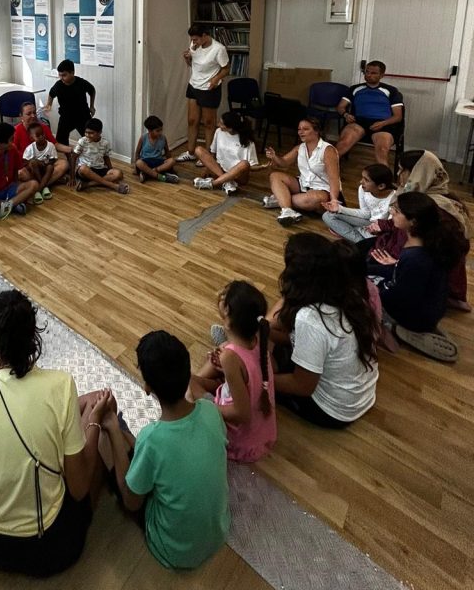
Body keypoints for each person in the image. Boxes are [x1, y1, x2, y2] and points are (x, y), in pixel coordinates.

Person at [0, 290, 108, 577]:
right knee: (93, 463)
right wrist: (94, 420)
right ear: (34, 336)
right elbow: (78, 488)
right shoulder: (61, 385)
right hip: (51, 548)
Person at [96, 330, 230, 570]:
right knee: (148, 455)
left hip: (173, 551)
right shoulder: (211, 410)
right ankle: (123, 432)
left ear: (147, 387)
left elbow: (132, 502)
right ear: (187, 374)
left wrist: (114, 428)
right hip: (219, 532)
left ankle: (117, 428)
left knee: (109, 446)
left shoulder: (151, 438)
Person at [268, 233, 379, 428]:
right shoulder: (348, 291)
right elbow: (303, 339)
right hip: (360, 395)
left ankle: (240, 350)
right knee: (269, 343)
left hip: (333, 410)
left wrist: (261, 380)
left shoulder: (310, 318)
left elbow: (302, 386)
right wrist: (264, 329)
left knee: (256, 367)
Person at [363, 149, 470, 311]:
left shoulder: (435, 209)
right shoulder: (426, 195)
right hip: (400, 253)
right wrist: (383, 225)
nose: (398, 174)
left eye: (402, 169)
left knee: (359, 270)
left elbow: (430, 253)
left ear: (418, 173)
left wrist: (397, 263)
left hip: (407, 262)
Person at [368, 192, 465, 361]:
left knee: (359, 293)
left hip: (416, 316)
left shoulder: (416, 258)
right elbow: (399, 272)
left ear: (413, 221)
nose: (392, 212)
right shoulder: (425, 243)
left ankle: (390, 328)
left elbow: (401, 295)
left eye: (397, 210)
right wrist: (368, 269)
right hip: (428, 305)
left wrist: (374, 292)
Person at [190, 282, 276, 463]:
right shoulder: (259, 337)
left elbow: (242, 414)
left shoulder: (230, 357)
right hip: (264, 433)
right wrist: (226, 370)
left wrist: (208, 407)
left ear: (228, 318)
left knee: (189, 388)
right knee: (194, 380)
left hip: (240, 444)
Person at [264, 117, 341, 226]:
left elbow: (334, 180)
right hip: (303, 185)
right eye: (299, 129)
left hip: (323, 190)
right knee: (275, 176)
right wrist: (274, 156)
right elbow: (284, 163)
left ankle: (280, 200)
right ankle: (287, 210)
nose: (301, 132)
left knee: (316, 199)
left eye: (305, 129)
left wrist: (333, 200)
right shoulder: (299, 147)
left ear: (316, 131)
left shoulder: (328, 150)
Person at [176, 24, 229, 164]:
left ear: (205, 35)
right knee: (192, 120)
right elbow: (193, 65)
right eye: (192, 39)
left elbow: (226, 69)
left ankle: (208, 156)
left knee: (209, 123)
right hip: (194, 85)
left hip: (209, 88)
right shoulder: (194, 45)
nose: (193, 42)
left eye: (196, 39)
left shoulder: (219, 49)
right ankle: (191, 152)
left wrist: (216, 79)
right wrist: (187, 58)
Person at [335, 61, 404, 166]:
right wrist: (346, 114)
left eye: (373, 73)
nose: (368, 75)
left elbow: (398, 116)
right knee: (343, 143)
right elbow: (340, 107)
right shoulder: (355, 89)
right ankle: (324, 169)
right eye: (367, 72)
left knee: (382, 150)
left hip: (383, 124)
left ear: (381, 75)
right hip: (359, 122)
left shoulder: (391, 91)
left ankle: (383, 174)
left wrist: (383, 123)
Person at [322, 164, 395, 242]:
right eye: (362, 178)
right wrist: (340, 209)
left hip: (382, 230)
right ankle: (361, 241)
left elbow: (391, 227)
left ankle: (360, 239)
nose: (361, 182)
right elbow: (365, 214)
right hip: (368, 223)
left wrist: (377, 229)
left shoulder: (395, 198)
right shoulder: (363, 189)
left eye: (366, 180)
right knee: (328, 216)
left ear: (381, 186)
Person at [193, 110, 258, 193]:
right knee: (198, 150)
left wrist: (263, 167)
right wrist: (208, 168)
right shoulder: (218, 132)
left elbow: (250, 166)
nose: (218, 125)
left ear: (230, 128)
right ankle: (227, 181)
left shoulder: (248, 142)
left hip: (238, 175)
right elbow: (213, 153)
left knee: (244, 164)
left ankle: (213, 183)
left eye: (221, 124)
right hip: (220, 170)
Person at [12, 101, 70, 188]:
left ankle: (38, 187)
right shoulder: (16, 131)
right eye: (29, 114)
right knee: (21, 173)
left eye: (34, 112)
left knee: (64, 164)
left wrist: (70, 149)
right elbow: (12, 153)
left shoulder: (43, 127)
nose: (33, 116)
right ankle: (50, 181)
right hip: (28, 166)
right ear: (21, 116)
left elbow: (55, 144)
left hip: (45, 164)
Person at [44, 60, 96, 145]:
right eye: (60, 75)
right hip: (66, 117)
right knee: (60, 141)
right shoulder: (58, 85)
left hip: (82, 116)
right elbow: (51, 94)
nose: (61, 78)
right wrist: (48, 105)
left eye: (64, 75)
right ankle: (68, 153)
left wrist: (92, 106)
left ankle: (92, 153)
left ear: (72, 73)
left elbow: (92, 90)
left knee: (90, 139)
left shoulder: (81, 83)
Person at [73, 117, 129, 194]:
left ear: (100, 132)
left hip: (99, 168)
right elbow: (73, 157)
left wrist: (110, 170)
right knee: (83, 168)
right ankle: (113, 186)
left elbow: (106, 157)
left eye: (91, 133)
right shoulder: (82, 141)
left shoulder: (105, 143)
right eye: (86, 132)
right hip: (85, 170)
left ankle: (88, 184)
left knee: (118, 173)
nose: (88, 135)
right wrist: (72, 177)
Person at [22, 122, 61, 203]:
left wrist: (46, 163)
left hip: (45, 168)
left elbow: (53, 159)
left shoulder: (50, 145)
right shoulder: (30, 148)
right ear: (32, 138)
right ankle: (43, 187)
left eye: (42, 134)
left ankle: (38, 190)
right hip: (34, 171)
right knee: (33, 162)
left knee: (50, 167)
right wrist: (36, 162)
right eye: (38, 136)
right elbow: (25, 161)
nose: (41, 137)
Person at [133, 114, 178, 184]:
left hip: (158, 162)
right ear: (150, 130)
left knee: (172, 160)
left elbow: (167, 152)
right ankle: (161, 177)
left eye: (161, 130)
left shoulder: (163, 138)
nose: (160, 132)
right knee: (139, 163)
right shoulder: (143, 138)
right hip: (146, 162)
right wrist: (135, 168)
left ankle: (147, 174)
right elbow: (137, 152)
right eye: (157, 131)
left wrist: (171, 166)